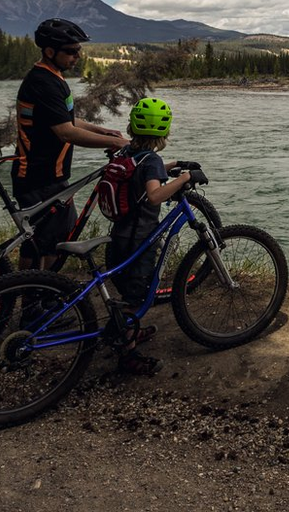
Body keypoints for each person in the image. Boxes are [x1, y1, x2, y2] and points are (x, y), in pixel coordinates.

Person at [13, 18, 130, 269]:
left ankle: (33, 294)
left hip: (49, 177)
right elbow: (66, 132)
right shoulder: (43, 82)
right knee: (50, 242)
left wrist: (104, 132)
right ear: (50, 51)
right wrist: (119, 143)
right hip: (39, 177)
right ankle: (36, 300)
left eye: (79, 50)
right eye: (71, 51)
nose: (77, 56)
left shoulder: (52, 77)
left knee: (46, 238)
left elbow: (66, 119)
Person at [106, 96, 200, 375]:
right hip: (139, 243)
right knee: (136, 298)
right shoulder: (152, 161)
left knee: (126, 293)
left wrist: (170, 166)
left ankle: (122, 331)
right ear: (165, 132)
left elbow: (143, 171)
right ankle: (127, 354)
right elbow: (155, 194)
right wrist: (183, 179)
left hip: (119, 238)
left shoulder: (125, 153)